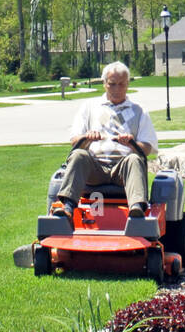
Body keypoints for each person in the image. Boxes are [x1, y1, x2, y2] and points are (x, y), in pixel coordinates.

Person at [52, 61, 159, 223]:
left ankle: (137, 209)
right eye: (112, 84)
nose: (116, 89)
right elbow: (74, 141)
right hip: (95, 167)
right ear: (104, 84)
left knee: (135, 158)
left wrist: (131, 144)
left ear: (128, 84)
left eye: (121, 84)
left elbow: (148, 147)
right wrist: (86, 138)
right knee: (78, 155)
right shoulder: (89, 107)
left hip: (123, 169)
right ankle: (67, 207)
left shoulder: (139, 110)